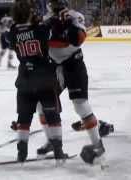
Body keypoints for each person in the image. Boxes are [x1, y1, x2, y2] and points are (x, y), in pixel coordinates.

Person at [35, 0, 106, 165]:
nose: (55, 6)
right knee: (41, 103)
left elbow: (77, 40)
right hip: (53, 66)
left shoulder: (76, 17)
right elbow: (43, 42)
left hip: (74, 65)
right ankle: (52, 142)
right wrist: (52, 26)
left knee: (81, 105)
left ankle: (98, 145)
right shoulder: (46, 19)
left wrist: (66, 26)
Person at [8, 0, 67, 163]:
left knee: (23, 118)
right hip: (44, 79)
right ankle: (58, 152)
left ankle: (21, 153)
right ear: (29, 13)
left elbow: (14, 36)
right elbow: (53, 24)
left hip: (24, 79)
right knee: (53, 116)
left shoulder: (12, 32)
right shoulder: (40, 30)